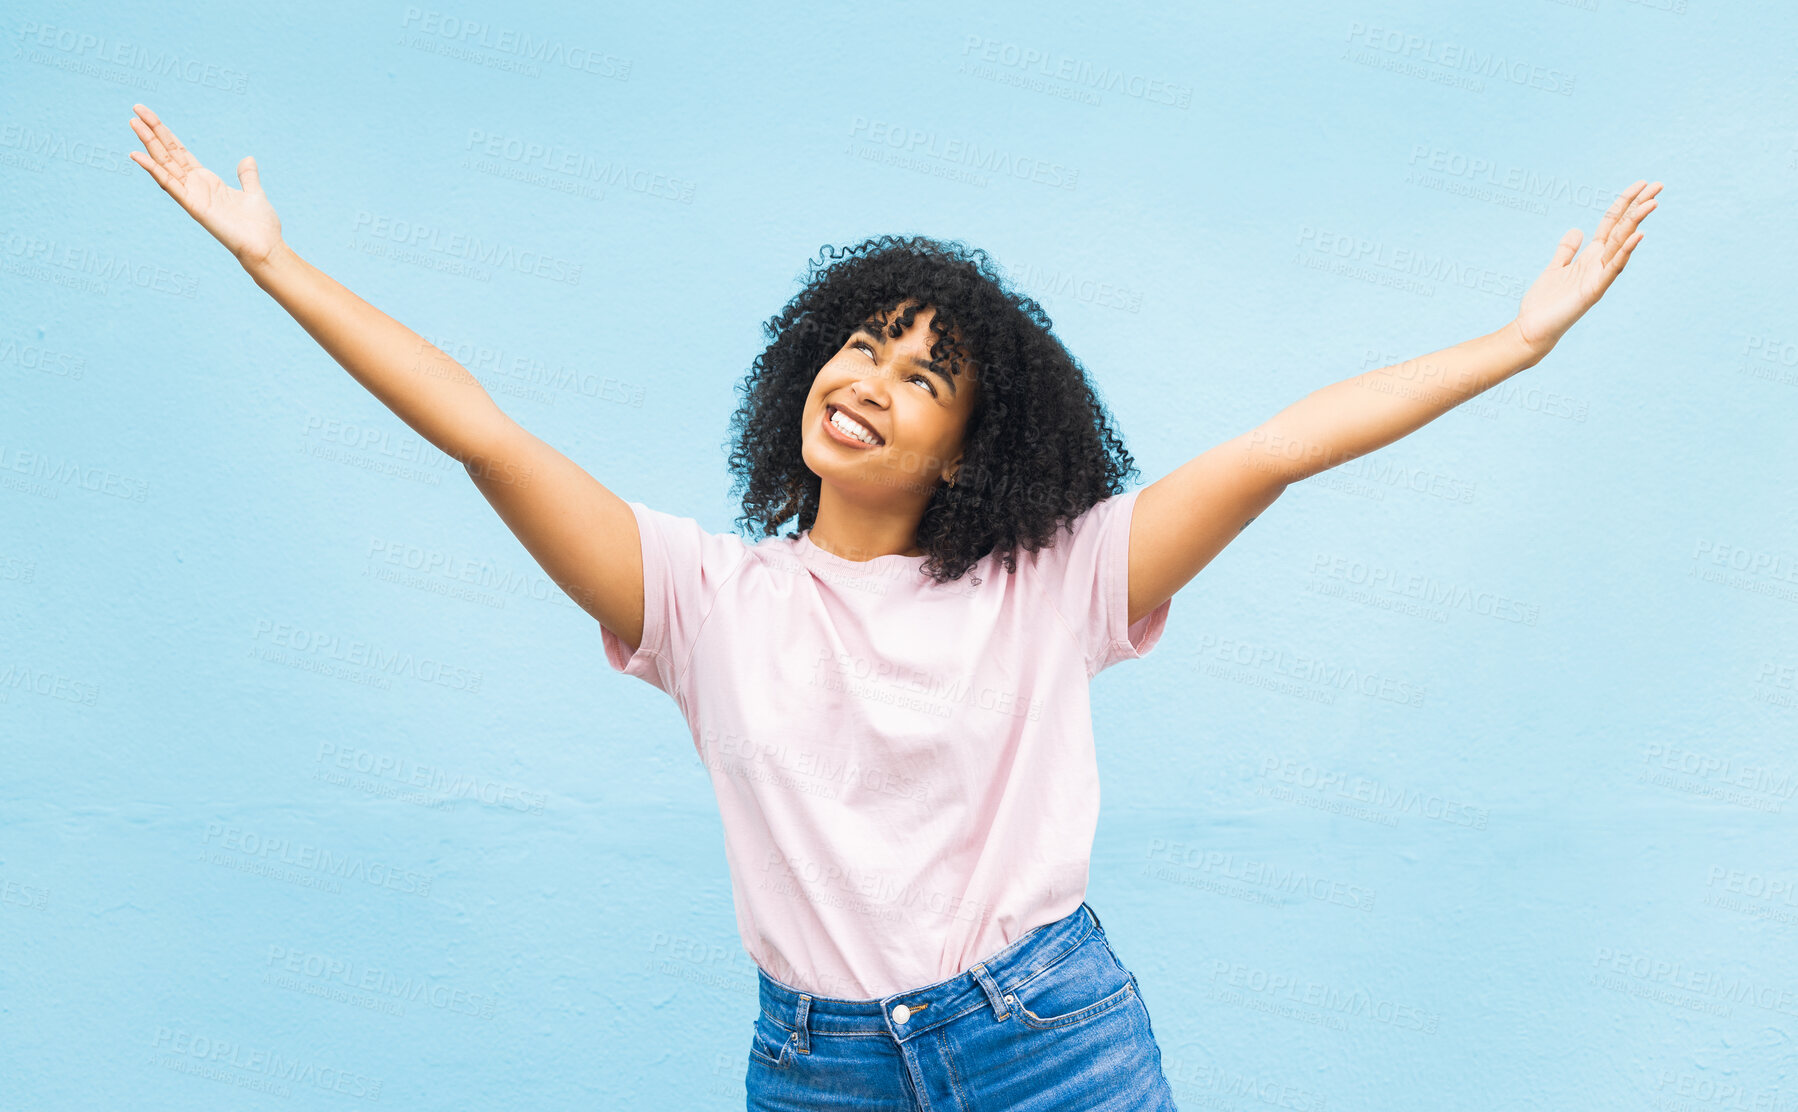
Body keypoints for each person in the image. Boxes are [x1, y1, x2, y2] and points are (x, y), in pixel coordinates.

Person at [126, 102, 1659, 1110]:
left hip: (1047, 1037)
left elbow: (1269, 452)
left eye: (925, 377)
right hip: (815, 1061)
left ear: (968, 447)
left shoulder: (1053, 581)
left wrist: (1508, 347)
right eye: (862, 346)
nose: (871, 381)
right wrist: (280, 265)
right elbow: (484, 435)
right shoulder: (700, 598)